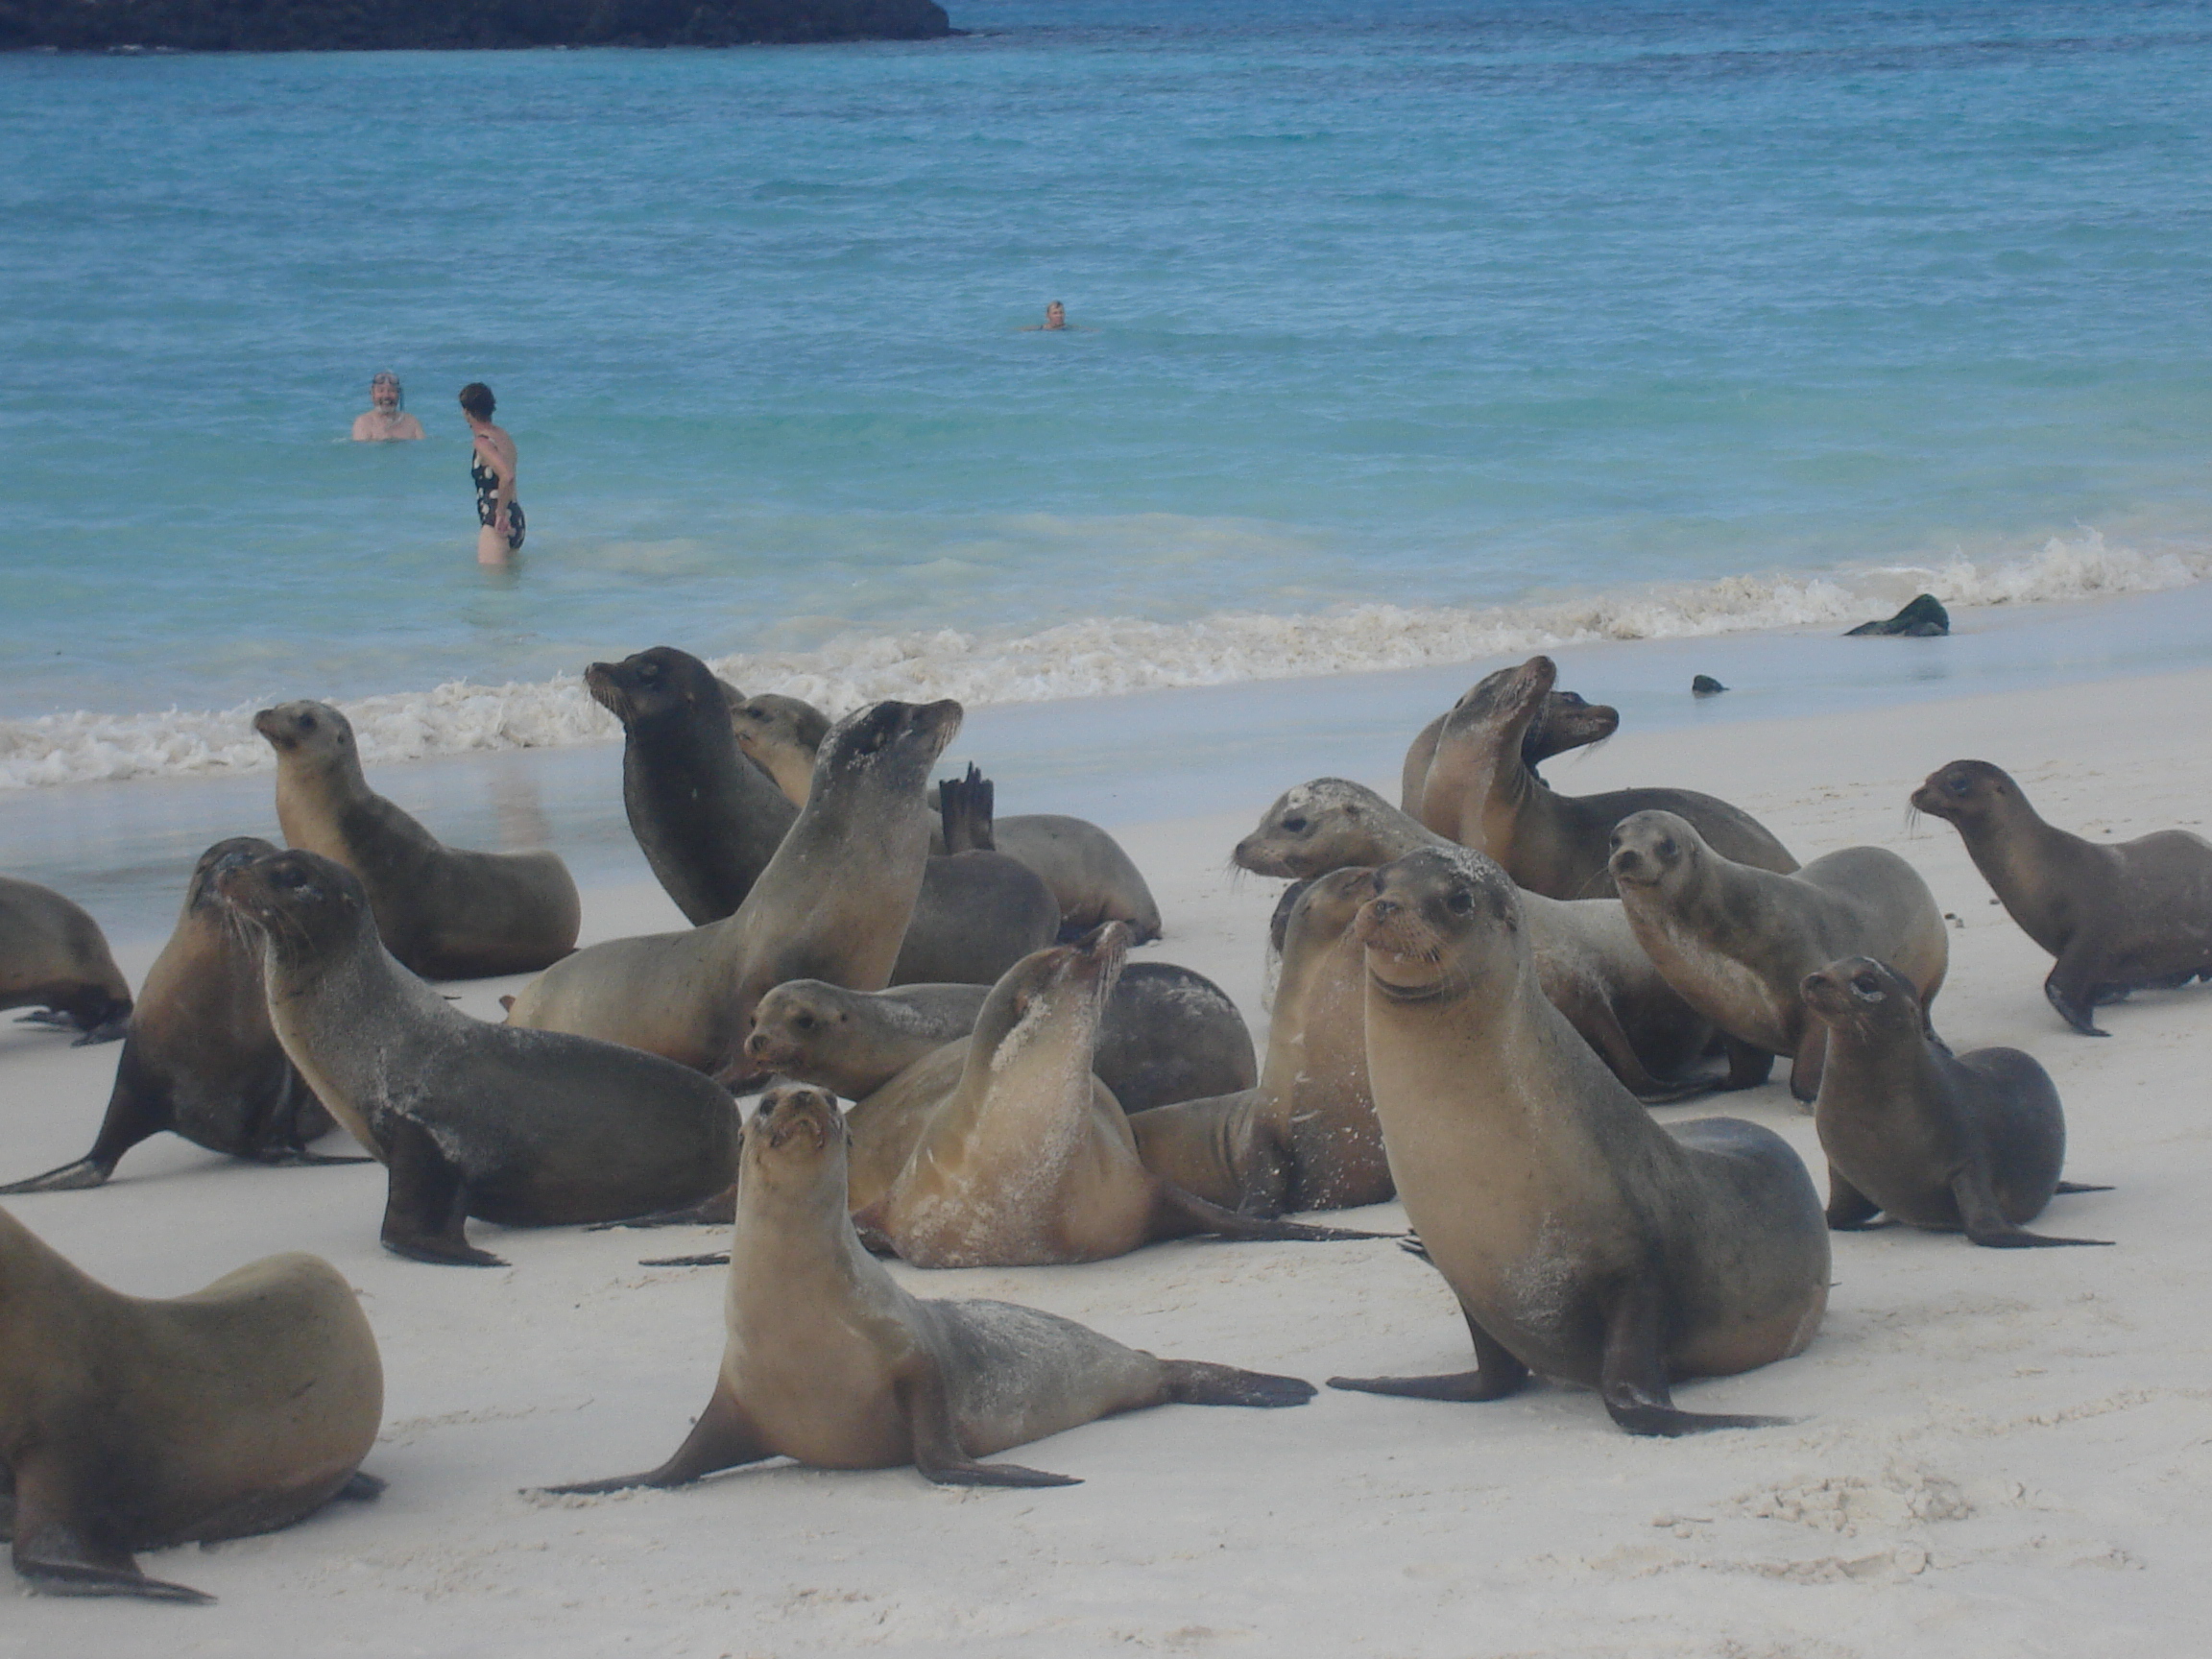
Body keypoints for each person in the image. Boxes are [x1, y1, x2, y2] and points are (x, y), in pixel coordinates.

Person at [459, 382, 523, 565]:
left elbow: (507, 476)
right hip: (516, 516)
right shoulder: (503, 436)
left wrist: (500, 514)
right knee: (510, 585)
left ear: (467, 412)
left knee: (492, 587)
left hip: (496, 519)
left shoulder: (483, 443)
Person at [350, 372, 425, 442]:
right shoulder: (363, 423)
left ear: (399, 394)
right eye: (381, 391)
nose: (386, 395)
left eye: (391, 391)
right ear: (372, 394)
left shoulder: (411, 422)